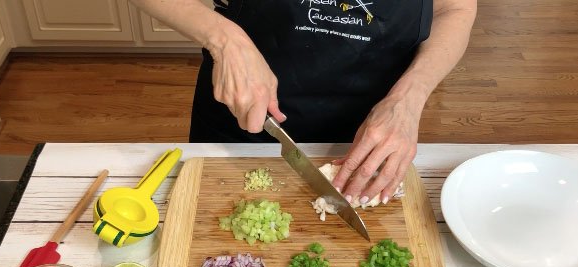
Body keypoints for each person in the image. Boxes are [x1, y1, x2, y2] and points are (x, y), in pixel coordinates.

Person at [130, 0, 476, 205]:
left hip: (370, 127)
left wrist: (409, 97)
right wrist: (223, 39)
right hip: (245, 109)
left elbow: (454, 7)